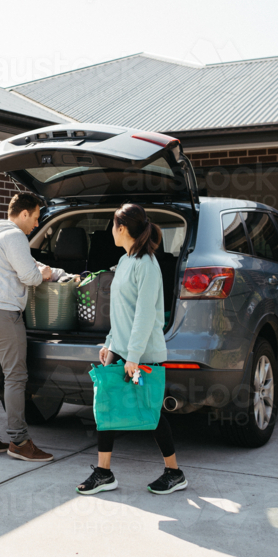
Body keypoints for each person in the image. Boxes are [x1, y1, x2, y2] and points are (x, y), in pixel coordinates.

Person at [77, 203, 187, 496]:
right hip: (123, 349)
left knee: (150, 413)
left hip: (142, 352)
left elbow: (144, 315)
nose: (110, 231)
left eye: (112, 226)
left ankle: (174, 472)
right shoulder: (125, 260)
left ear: (122, 229)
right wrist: (111, 343)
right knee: (106, 406)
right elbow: (121, 311)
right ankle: (103, 472)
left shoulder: (147, 266)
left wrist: (133, 357)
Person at [0, 192, 67, 461]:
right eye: (36, 217)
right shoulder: (15, 236)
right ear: (24, 213)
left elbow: (24, 265)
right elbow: (29, 275)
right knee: (16, 378)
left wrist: (52, 270)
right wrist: (46, 275)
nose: (37, 224)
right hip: (3, 314)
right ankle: (19, 441)